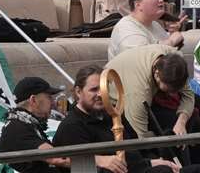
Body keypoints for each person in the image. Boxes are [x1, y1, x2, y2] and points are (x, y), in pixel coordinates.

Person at [52, 66, 181, 173]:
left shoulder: (113, 113)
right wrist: (151, 164)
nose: (100, 94)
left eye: (103, 88)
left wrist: (157, 160)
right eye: (94, 89)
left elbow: (135, 145)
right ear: (79, 92)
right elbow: (82, 167)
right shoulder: (72, 126)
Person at [0, 76, 64, 173]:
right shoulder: (17, 128)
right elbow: (56, 158)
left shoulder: (24, 123)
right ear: (33, 100)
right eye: (49, 97)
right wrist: (88, 161)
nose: (53, 103)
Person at [110, 0, 186, 59]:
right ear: (138, 5)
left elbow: (169, 57)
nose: (161, 0)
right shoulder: (126, 28)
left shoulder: (154, 24)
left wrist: (173, 34)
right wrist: (171, 41)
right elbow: (142, 59)